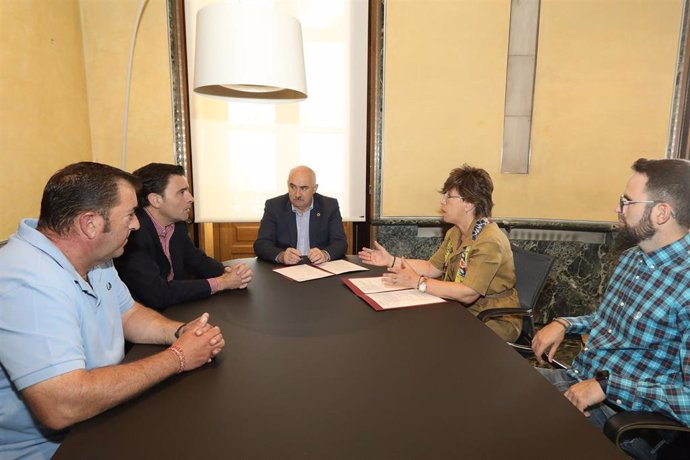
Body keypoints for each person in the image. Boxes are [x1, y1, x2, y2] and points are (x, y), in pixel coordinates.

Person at [0, 162, 225, 459]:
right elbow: (61, 405)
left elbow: (128, 314)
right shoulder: (27, 281)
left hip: (100, 416)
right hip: (50, 447)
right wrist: (179, 357)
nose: (136, 224)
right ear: (90, 224)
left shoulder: (97, 257)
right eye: (130, 214)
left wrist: (179, 332)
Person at [531, 158, 690, 457]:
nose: (618, 209)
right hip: (579, 379)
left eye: (627, 202)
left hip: (624, 420)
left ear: (661, 212)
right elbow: (607, 321)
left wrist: (609, 387)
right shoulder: (632, 258)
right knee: (494, 392)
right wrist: (566, 323)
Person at [358, 164, 521, 342]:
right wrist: (392, 260)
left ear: (469, 203)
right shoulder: (455, 232)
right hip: (461, 308)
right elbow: (431, 267)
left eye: (448, 196)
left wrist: (418, 282)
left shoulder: (489, 240)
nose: (443, 202)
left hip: (492, 318)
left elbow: (468, 293)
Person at [115, 163, 253, 310]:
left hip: (178, 305)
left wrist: (228, 272)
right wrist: (222, 282)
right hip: (146, 317)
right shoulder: (133, 233)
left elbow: (195, 259)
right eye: (182, 192)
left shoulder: (178, 224)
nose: (191, 198)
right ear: (155, 200)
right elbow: (156, 293)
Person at [253, 165, 348, 265]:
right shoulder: (274, 206)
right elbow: (261, 245)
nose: (297, 194)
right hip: (285, 269)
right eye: (292, 187)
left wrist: (324, 254)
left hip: (318, 268)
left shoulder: (329, 206)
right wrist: (281, 256)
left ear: (314, 188)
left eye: (303, 188)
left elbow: (340, 243)